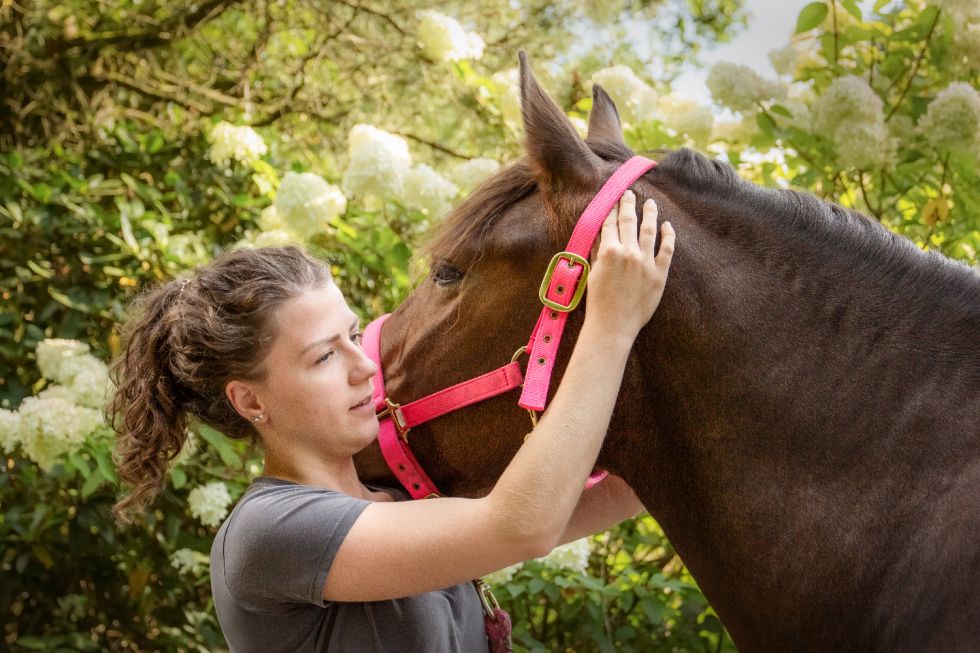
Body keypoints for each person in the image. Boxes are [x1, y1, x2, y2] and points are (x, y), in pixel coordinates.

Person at [107, 190, 675, 652]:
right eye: (324, 356)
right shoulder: (270, 532)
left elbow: (618, 494)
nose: (364, 366)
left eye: (354, 336)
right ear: (250, 401)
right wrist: (611, 323)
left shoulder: (401, 499)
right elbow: (524, 526)